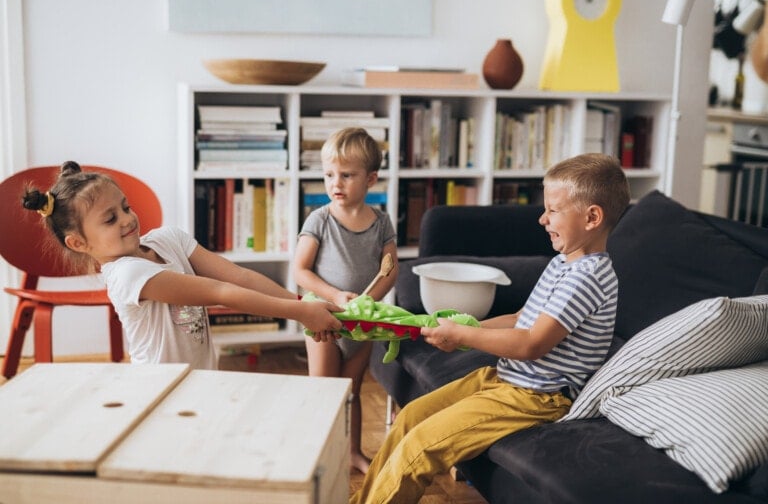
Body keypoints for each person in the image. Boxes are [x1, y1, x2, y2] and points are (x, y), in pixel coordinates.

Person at [350, 153, 630, 504]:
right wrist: (463, 327)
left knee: (421, 447)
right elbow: (520, 318)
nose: (542, 219)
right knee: (410, 418)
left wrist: (463, 336)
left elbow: (531, 344)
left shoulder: (588, 277)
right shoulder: (563, 263)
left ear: (592, 217)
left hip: (537, 397)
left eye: (553, 210)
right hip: (506, 380)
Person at [22, 161, 342, 370]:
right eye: (110, 218)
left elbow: (239, 276)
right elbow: (222, 291)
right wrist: (301, 314)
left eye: (125, 207)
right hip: (159, 392)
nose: (127, 218)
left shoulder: (168, 238)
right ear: (79, 243)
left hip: (201, 378)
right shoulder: (127, 274)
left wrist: (302, 304)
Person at [294, 127, 399, 474]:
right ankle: (316, 454)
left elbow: (390, 270)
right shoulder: (320, 220)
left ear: (371, 179)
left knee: (352, 391)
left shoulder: (381, 223)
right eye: (328, 174)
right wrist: (336, 296)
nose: (335, 183)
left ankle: (352, 451)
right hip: (322, 317)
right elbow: (301, 271)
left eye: (347, 175)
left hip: (361, 325)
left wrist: (368, 305)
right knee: (325, 392)